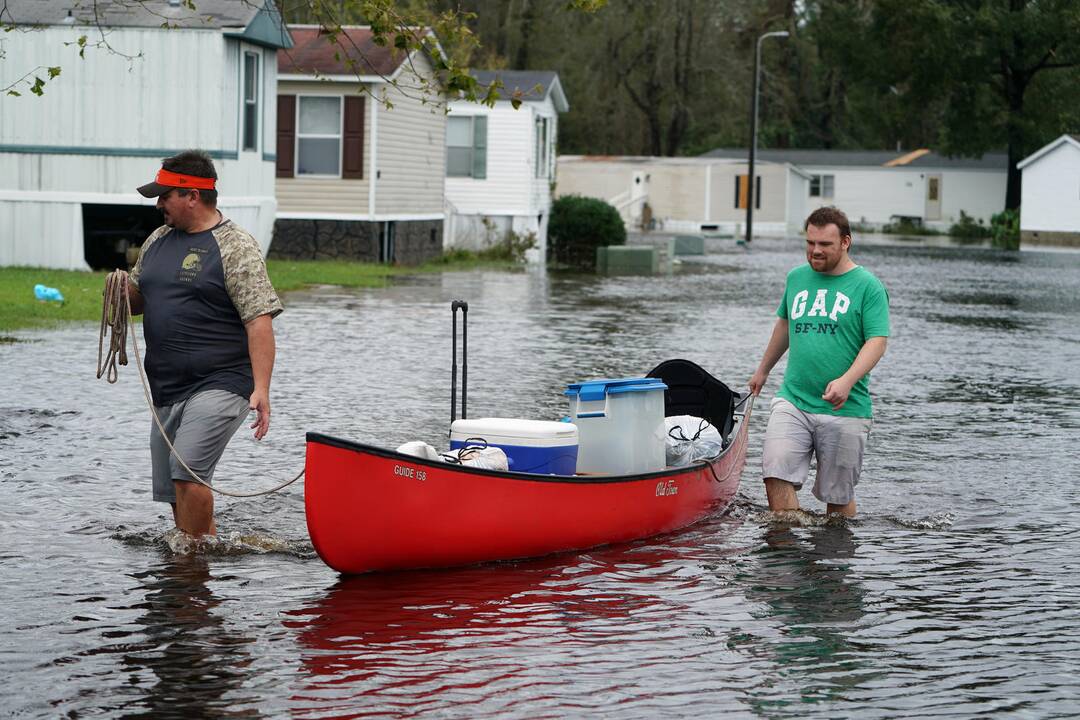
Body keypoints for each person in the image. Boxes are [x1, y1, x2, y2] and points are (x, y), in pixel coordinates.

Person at [126, 150, 283, 536]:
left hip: (222, 382)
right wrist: (117, 292)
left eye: (165, 195)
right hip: (166, 387)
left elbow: (258, 320)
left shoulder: (235, 247)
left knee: (187, 476)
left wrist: (261, 388)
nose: (159, 203)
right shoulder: (158, 240)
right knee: (174, 494)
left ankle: (193, 568)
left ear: (192, 196)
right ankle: (198, 560)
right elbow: (137, 300)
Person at [748, 206, 889, 518]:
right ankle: (786, 557)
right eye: (810, 242)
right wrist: (763, 369)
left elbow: (877, 341)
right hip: (793, 399)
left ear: (845, 242)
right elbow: (785, 324)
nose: (815, 250)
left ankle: (828, 560)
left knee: (837, 502)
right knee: (775, 473)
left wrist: (847, 380)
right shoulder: (797, 278)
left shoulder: (868, 287)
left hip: (845, 407)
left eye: (824, 244)